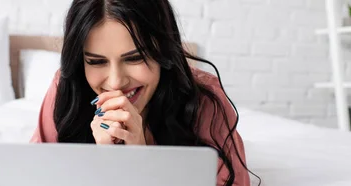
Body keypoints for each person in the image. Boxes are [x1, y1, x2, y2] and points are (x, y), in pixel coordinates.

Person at [30, 0, 256, 185]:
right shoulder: (67, 88)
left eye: (135, 58)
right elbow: (32, 174)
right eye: (96, 61)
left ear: (162, 51)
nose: (116, 82)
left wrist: (141, 160)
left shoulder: (204, 100)